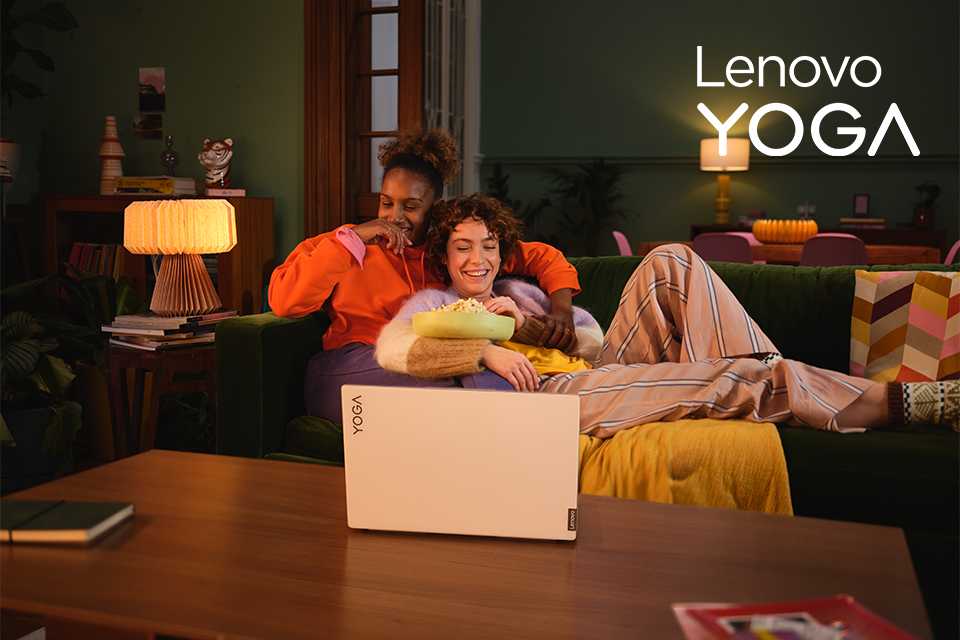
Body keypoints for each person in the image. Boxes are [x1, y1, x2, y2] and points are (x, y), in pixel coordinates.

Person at [375, 193, 960, 436]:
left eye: (487, 246)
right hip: (545, 401)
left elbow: (589, 340)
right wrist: (484, 347)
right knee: (735, 376)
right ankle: (894, 402)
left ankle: (760, 374)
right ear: (443, 257)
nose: (478, 259)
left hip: (591, 372)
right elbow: (394, 351)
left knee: (671, 259)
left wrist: (524, 323)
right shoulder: (433, 304)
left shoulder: (517, 291)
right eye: (462, 248)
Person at [268, 130, 582, 424]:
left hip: (433, 367)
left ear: (434, 209)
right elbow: (286, 302)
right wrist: (353, 238)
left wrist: (562, 311)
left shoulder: (447, 253)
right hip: (350, 368)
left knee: (487, 379)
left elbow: (543, 257)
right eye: (387, 203)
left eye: (412, 206)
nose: (395, 217)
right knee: (478, 370)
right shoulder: (346, 246)